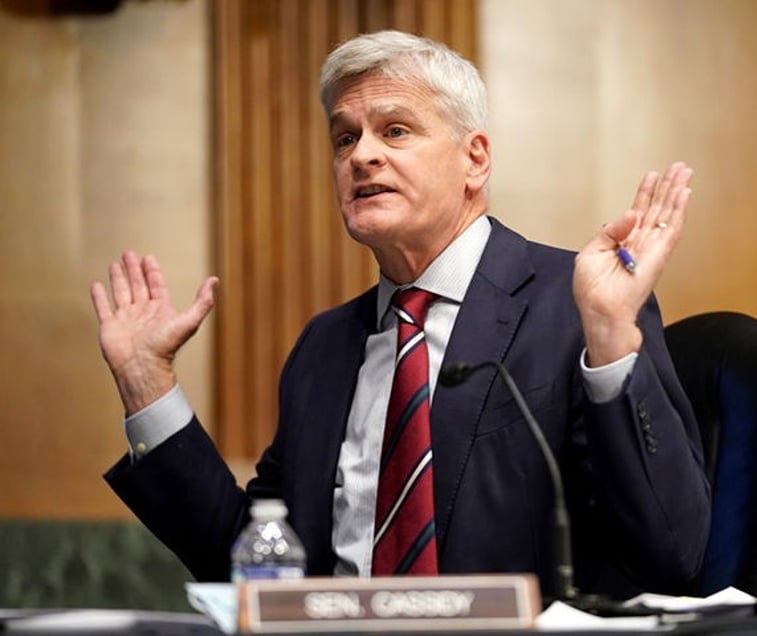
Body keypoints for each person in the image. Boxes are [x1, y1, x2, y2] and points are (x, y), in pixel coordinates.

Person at [90, 30, 710, 600]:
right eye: (343, 138)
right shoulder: (324, 348)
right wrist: (149, 384)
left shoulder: (576, 304)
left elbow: (673, 554)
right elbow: (251, 565)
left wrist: (607, 337)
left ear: (475, 160)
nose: (361, 156)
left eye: (394, 131)